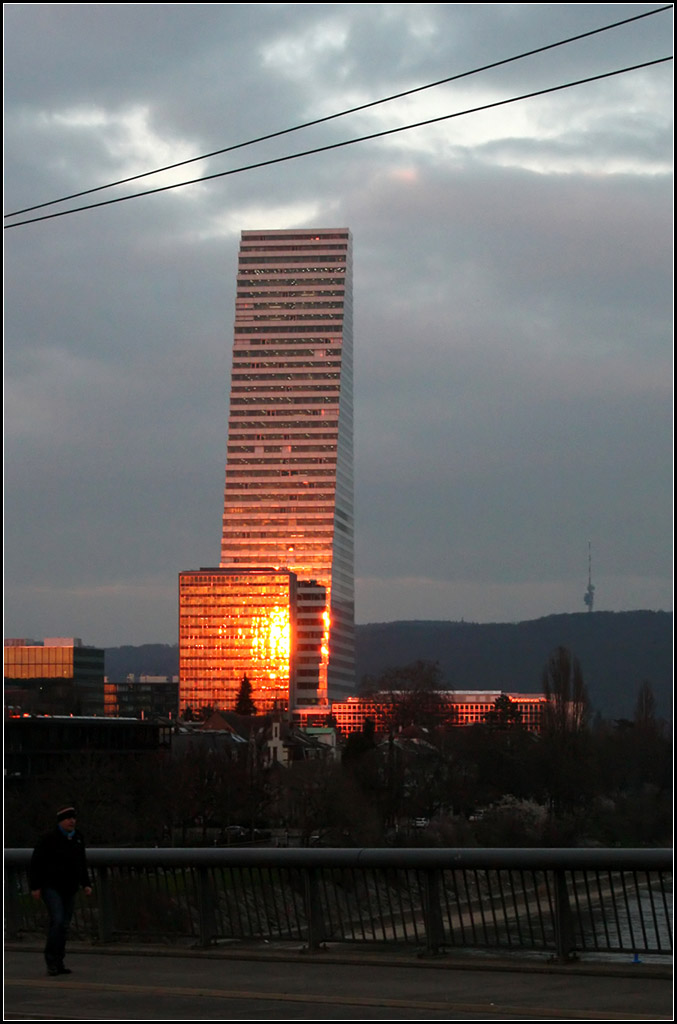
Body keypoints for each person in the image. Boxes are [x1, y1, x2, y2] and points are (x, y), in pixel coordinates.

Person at [29, 806, 92, 976]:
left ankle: (59, 961)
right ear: (60, 821)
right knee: (57, 921)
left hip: (69, 887)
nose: (72, 821)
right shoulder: (49, 839)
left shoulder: (78, 838)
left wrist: (86, 883)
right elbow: (36, 863)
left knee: (64, 925)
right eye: (68, 818)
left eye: (73, 818)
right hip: (51, 886)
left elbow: (81, 862)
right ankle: (51, 960)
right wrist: (35, 886)